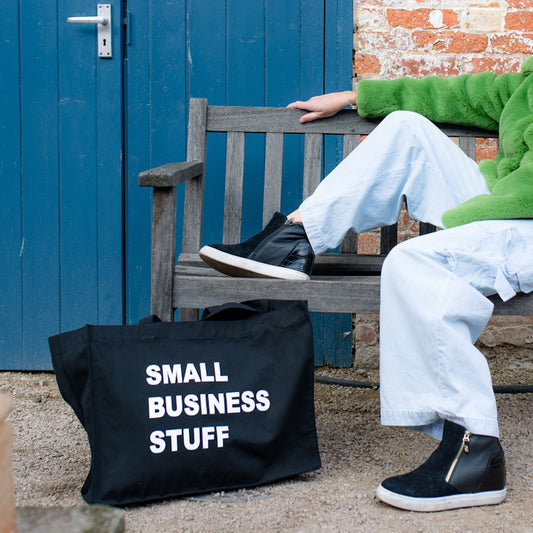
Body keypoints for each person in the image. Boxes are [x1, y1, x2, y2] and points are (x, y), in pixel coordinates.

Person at [199, 56, 533, 512]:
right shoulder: (527, 82)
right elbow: (451, 93)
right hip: (502, 210)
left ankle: (475, 455)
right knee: (406, 128)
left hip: (524, 224)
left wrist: (482, 210)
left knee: (414, 261)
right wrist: (357, 97)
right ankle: (295, 239)